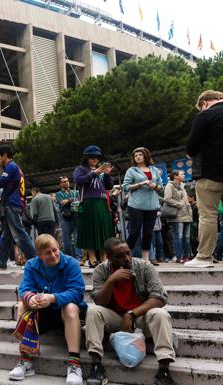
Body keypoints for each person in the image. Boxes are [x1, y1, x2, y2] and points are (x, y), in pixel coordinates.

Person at [85, 238, 177, 385]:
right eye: (120, 256)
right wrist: (111, 281)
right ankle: (96, 366)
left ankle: (164, 369)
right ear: (109, 257)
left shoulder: (144, 267)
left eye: (128, 253)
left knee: (160, 314)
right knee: (93, 311)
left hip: (140, 318)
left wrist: (131, 314)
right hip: (115, 319)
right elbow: (99, 301)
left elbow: (160, 298)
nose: (126, 258)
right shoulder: (101, 270)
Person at [11, 234, 86, 384]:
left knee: (70, 307)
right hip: (43, 315)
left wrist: (53, 298)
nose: (53, 255)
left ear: (59, 247)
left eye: (55, 250)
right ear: (39, 255)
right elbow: (24, 288)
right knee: (22, 304)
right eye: (47, 253)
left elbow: (78, 292)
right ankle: (26, 360)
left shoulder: (71, 263)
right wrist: (30, 298)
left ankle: (74, 364)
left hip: (67, 315)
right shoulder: (32, 265)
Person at [184, 90, 223, 267]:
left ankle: (204, 257)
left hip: (210, 174)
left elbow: (191, 146)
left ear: (205, 102)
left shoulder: (205, 116)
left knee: (208, 216)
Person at [0, 145, 36, 268]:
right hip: (16, 203)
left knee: (19, 234)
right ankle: (1, 261)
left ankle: (35, 259)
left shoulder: (10, 166)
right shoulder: (16, 168)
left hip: (12, 204)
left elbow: (0, 182)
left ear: (5, 155)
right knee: (7, 235)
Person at [74, 145, 114, 267]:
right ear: (86, 158)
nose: (95, 159)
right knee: (90, 230)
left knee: (103, 230)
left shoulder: (101, 170)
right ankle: (91, 258)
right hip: (88, 202)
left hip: (102, 202)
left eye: (97, 157)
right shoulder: (80, 169)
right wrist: (95, 172)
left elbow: (109, 186)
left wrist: (107, 174)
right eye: (92, 157)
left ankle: (103, 256)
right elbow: (79, 180)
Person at [122, 147, 163, 265]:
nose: (138, 157)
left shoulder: (154, 170)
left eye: (140, 155)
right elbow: (125, 187)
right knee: (134, 231)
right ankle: (126, 256)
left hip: (152, 205)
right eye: (135, 156)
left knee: (148, 232)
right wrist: (140, 184)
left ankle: (145, 258)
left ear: (146, 156)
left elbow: (162, 189)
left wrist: (155, 186)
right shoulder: (131, 170)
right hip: (136, 205)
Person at [164, 170, 193, 264]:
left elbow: (186, 200)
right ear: (175, 176)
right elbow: (167, 199)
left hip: (187, 215)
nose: (184, 175)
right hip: (177, 215)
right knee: (179, 236)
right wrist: (179, 204)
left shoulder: (182, 186)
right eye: (182, 174)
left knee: (187, 237)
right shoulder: (169, 185)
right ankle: (178, 257)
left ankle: (187, 257)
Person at [56, 177, 81, 263]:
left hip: (75, 216)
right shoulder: (59, 193)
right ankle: (68, 258)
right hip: (65, 218)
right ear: (60, 184)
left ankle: (79, 258)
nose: (67, 183)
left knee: (77, 238)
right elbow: (62, 202)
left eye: (67, 181)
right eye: (64, 182)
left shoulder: (75, 192)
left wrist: (69, 201)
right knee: (66, 240)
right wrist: (71, 199)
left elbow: (79, 200)